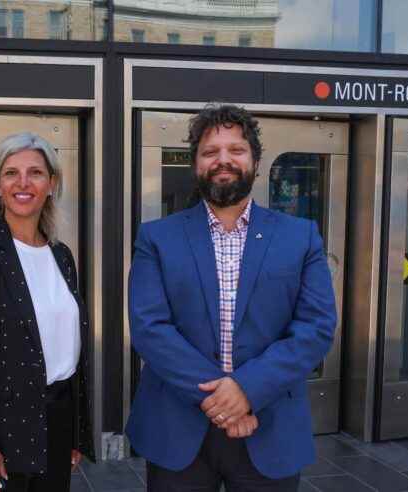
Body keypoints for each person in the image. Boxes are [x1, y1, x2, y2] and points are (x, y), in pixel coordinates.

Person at [126, 104, 336, 491]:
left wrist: (248, 390)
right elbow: (149, 328)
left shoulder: (300, 236)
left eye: (236, 150)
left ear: (255, 160)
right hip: (177, 430)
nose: (223, 160)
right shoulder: (157, 238)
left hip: (268, 427)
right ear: (196, 165)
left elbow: (315, 327)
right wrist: (225, 400)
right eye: (210, 152)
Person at [0, 132, 94, 492]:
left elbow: (69, 348)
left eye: (36, 173)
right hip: (0, 428)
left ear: (52, 184)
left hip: (57, 421)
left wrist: (74, 431)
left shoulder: (62, 256)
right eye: (11, 173)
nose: (23, 183)